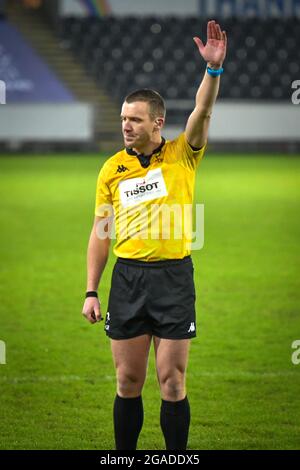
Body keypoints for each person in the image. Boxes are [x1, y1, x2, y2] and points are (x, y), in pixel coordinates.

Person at [82, 20, 227, 450]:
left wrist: (213, 71)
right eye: (123, 118)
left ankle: (175, 459)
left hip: (173, 278)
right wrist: (92, 290)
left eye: (135, 119)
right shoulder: (112, 168)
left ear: (157, 122)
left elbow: (202, 111)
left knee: (172, 381)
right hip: (127, 278)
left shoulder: (183, 153)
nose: (126, 125)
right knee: (128, 380)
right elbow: (100, 230)